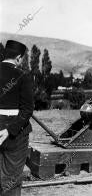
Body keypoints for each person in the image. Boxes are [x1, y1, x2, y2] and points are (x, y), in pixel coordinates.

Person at [0, 40, 34, 195]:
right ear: (19, 58)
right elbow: (27, 110)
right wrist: (9, 130)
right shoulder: (23, 76)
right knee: (11, 180)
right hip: (15, 133)